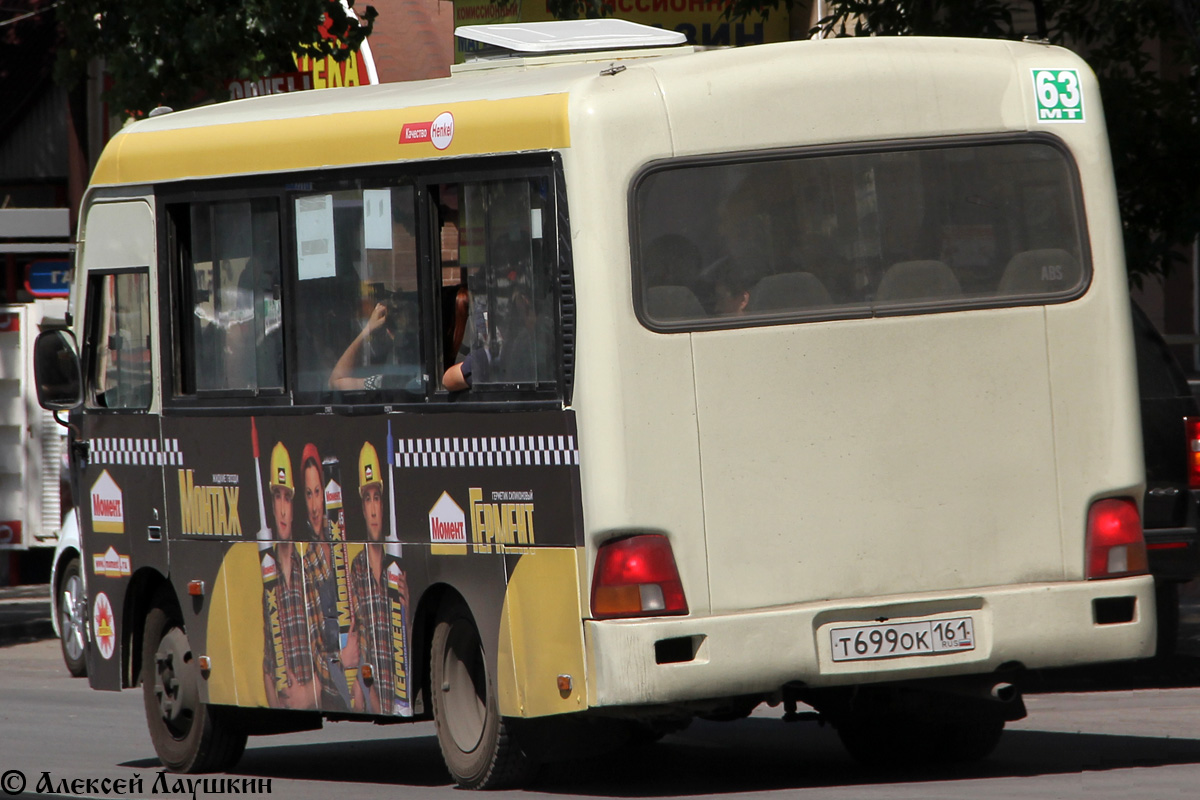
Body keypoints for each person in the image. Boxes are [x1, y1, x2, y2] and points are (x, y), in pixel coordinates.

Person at [346, 441, 410, 714]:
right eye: (367, 499)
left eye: (377, 498)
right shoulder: (356, 568)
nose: (373, 510)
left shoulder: (397, 564)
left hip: (397, 690)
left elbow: (407, 639)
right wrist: (360, 686)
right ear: (361, 507)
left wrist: (406, 612)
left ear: (384, 504)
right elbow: (357, 637)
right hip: (373, 695)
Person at [261, 442, 317, 710]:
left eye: (288, 498)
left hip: (313, 700)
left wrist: (307, 696)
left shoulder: (310, 568)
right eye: (277, 497)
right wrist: (276, 710)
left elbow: (331, 655)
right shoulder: (266, 573)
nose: (283, 510)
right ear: (271, 504)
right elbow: (267, 664)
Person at [299, 444, 355, 711]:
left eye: (317, 492)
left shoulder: (346, 547)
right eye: (308, 494)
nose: (313, 505)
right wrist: (345, 659)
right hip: (337, 687)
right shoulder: (307, 563)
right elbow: (315, 654)